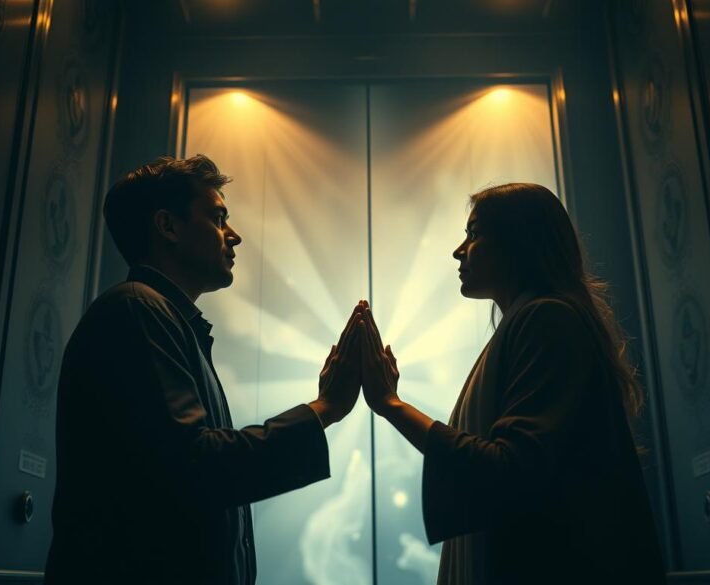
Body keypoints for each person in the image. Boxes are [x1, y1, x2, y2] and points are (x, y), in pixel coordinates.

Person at [45, 155, 364, 584]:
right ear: (168, 226)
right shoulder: (139, 311)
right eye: (218, 218)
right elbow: (199, 466)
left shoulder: (160, 319)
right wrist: (325, 408)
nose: (234, 236)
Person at [355, 183, 666, 584]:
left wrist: (391, 406)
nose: (458, 250)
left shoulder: (546, 321)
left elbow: (511, 469)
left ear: (518, 242)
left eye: (474, 234)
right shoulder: (532, 324)